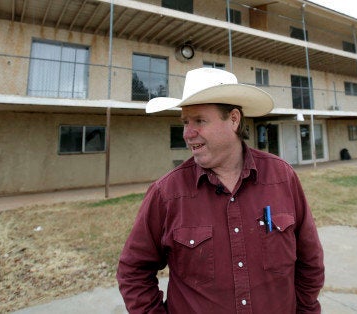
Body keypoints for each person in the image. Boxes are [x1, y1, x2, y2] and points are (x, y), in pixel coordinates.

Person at [117, 68, 324, 313]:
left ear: (234, 119)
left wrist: (305, 309)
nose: (187, 133)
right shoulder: (167, 193)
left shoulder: (282, 177)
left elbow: (310, 262)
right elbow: (133, 271)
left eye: (199, 121)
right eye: (185, 122)